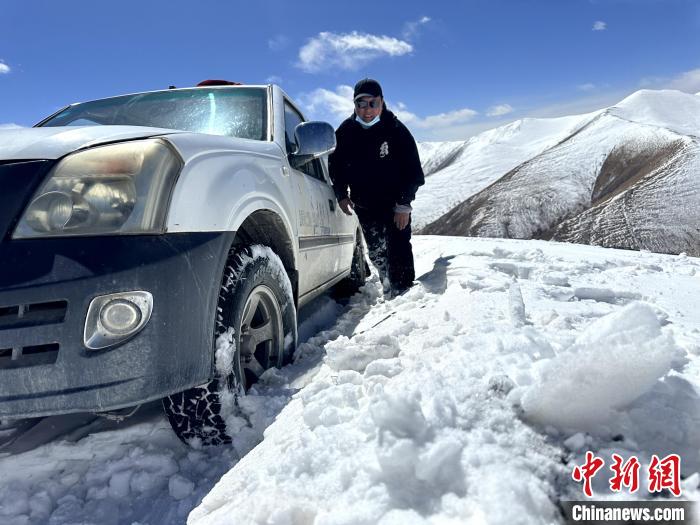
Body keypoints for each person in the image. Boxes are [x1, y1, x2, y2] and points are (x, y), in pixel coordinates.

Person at [329, 78, 425, 296]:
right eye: (361, 104)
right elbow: (336, 167)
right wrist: (341, 194)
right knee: (377, 252)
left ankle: (404, 294)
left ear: (382, 102)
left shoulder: (396, 130)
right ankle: (388, 284)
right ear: (355, 106)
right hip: (365, 204)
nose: (367, 110)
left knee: (399, 248)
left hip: (395, 204)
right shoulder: (345, 132)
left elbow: (414, 172)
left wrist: (404, 204)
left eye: (373, 103)